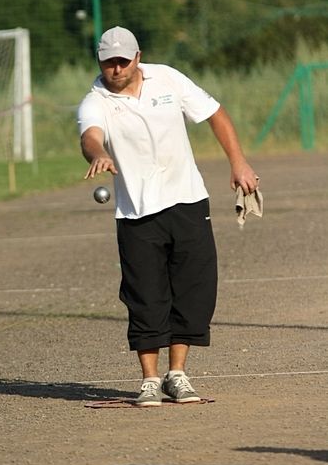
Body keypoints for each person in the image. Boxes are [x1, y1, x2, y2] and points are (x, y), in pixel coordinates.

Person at [78, 26, 259, 406]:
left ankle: (177, 375)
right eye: (108, 62)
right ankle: (149, 380)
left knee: (194, 290)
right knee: (145, 297)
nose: (116, 69)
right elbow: (90, 136)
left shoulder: (168, 79)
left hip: (187, 199)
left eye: (122, 61)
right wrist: (99, 154)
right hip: (137, 213)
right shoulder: (96, 100)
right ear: (99, 61)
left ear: (137, 57)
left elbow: (215, 113)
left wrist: (238, 162)